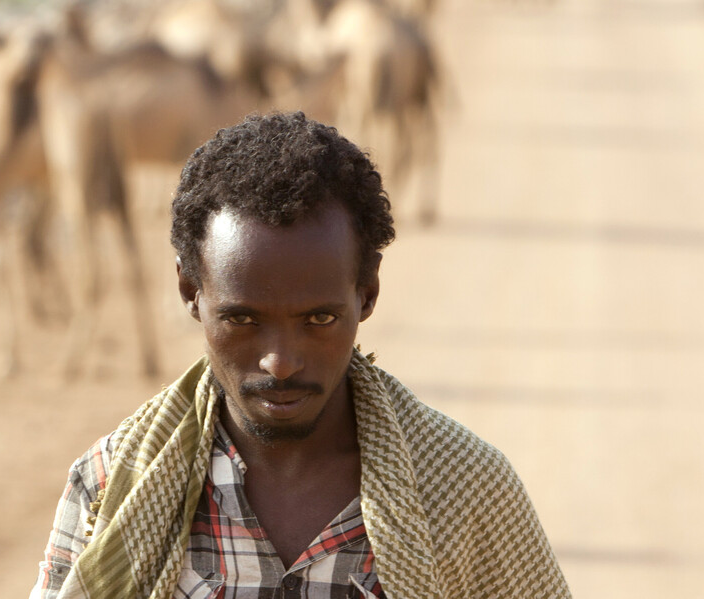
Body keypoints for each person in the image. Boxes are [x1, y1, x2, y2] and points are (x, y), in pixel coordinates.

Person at [30, 112, 570, 599]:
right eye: (243, 320)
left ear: (368, 292)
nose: (280, 362)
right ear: (190, 292)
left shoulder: (466, 488)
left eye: (319, 320)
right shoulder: (112, 486)